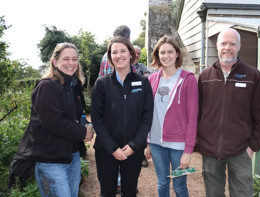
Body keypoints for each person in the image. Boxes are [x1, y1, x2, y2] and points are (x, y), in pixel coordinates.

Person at [13, 43, 94, 197]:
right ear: (55, 62)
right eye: (66, 59)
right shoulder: (47, 87)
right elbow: (54, 123)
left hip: (73, 156)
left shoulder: (74, 86)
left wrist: (88, 125)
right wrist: (83, 132)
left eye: (74, 59)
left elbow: (78, 116)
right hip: (51, 161)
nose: (71, 63)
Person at [197, 28, 260, 197]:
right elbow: (197, 113)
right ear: (217, 45)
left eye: (232, 43)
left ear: (239, 46)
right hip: (210, 151)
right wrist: (199, 142)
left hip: (241, 150)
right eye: (223, 43)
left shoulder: (253, 76)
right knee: (213, 194)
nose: (227, 47)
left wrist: (252, 147)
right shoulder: (205, 76)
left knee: (242, 193)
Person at [91, 37, 154, 197]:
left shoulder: (143, 83)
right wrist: (112, 148)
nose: (119, 55)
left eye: (123, 51)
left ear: (131, 54)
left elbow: (147, 117)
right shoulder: (101, 84)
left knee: (130, 191)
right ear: (110, 57)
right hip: (106, 150)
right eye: (114, 52)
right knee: (107, 192)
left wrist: (134, 145)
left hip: (133, 150)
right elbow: (97, 119)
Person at [145, 35, 199, 197]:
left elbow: (192, 117)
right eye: (162, 53)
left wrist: (188, 151)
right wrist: (148, 141)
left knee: (180, 185)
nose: (166, 56)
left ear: (177, 54)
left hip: (178, 145)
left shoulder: (188, 80)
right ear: (157, 55)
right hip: (156, 143)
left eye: (170, 52)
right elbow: (148, 114)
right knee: (162, 182)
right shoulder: (152, 80)